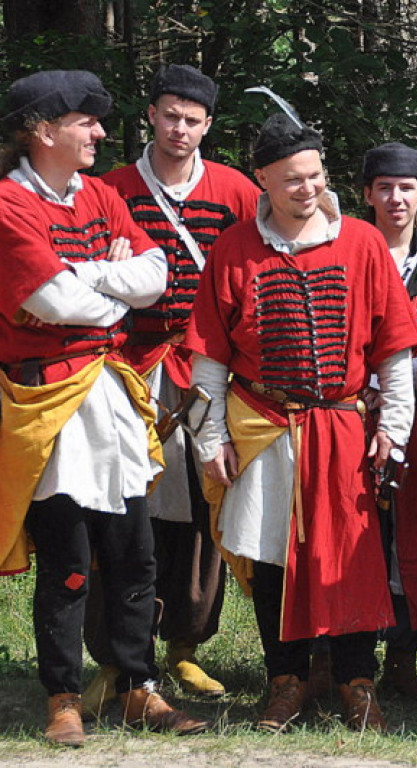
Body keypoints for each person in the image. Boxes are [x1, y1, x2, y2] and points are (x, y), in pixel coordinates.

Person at [185, 112, 417, 733]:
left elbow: (394, 350)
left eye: (315, 176)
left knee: (350, 555)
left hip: (343, 428)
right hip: (263, 423)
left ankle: (355, 682)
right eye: (292, 179)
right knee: (273, 559)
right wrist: (210, 437)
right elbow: (207, 356)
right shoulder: (235, 247)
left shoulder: (363, 243)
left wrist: (393, 426)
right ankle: (284, 681)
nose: (307, 189)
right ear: (261, 177)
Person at [0, 69, 208, 747]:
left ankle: (135, 687)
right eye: (84, 122)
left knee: (135, 551)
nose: (97, 133)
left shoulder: (100, 195)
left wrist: (82, 276)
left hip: (109, 389)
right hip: (48, 400)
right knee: (68, 556)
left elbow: (158, 275)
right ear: (42, 130)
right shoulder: (8, 205)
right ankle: (63, 694)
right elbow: (57, 304)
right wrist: (109, 284)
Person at [80, 64, 260, 711]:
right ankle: (116, 657)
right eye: (170, 115)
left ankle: (183, 647)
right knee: (118, 506)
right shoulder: (112, 189)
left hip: (207, 370)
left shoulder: (237, 191)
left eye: (193, 119)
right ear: (151, 115)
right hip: (124, 367)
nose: (180, 128)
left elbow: (256, 269)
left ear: (208, 124)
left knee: (199, 508)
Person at [361, 141, 417, 699]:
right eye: (385, 187)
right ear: (366, 194)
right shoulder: (344, 255)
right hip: (352, 418)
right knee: (356, 535)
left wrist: (405, 378)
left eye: (407, 188)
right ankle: (340, 659)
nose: (396, 198)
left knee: (411, 541)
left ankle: (403, 657)